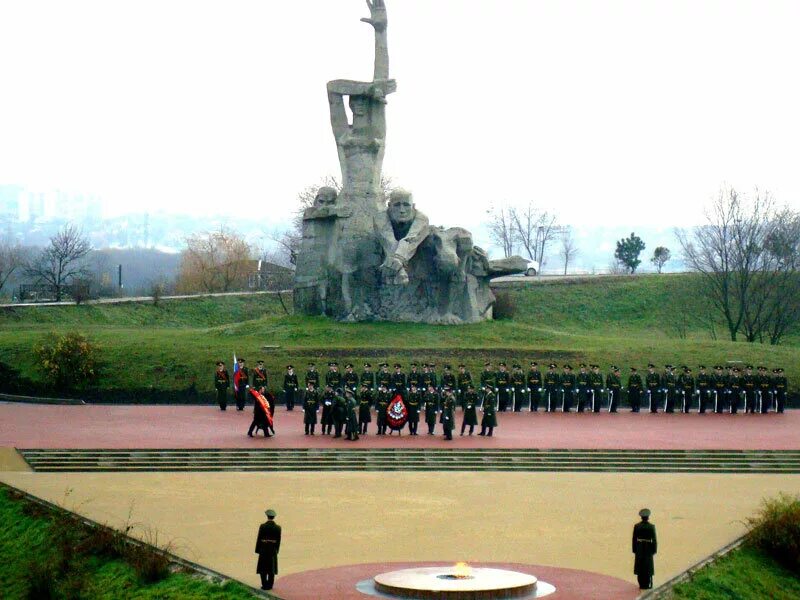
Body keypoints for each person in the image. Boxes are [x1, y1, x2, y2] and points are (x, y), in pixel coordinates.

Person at [255, 508, 281, 591]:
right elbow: (278, 541)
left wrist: (258, 550)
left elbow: (259, 538)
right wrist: (277, 550)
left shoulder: (262, 526)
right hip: (273, 550)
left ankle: (264, 585)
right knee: (271, 568)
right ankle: (270, 585)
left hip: (263, 549)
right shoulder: (278, 528)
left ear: (267, 516)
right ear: (274, 517)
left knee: (263, 568)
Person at [632, 508, 657, 590]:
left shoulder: (637, 526)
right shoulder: (651, 527)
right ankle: (647, 583)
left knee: (640, 565)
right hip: (648, 547)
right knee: (647, 565)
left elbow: (634, 538)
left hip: (639, 547)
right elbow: (654, 540)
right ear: (648, 517)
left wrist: (634, 549)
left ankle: (641, 583)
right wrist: (654, 550)